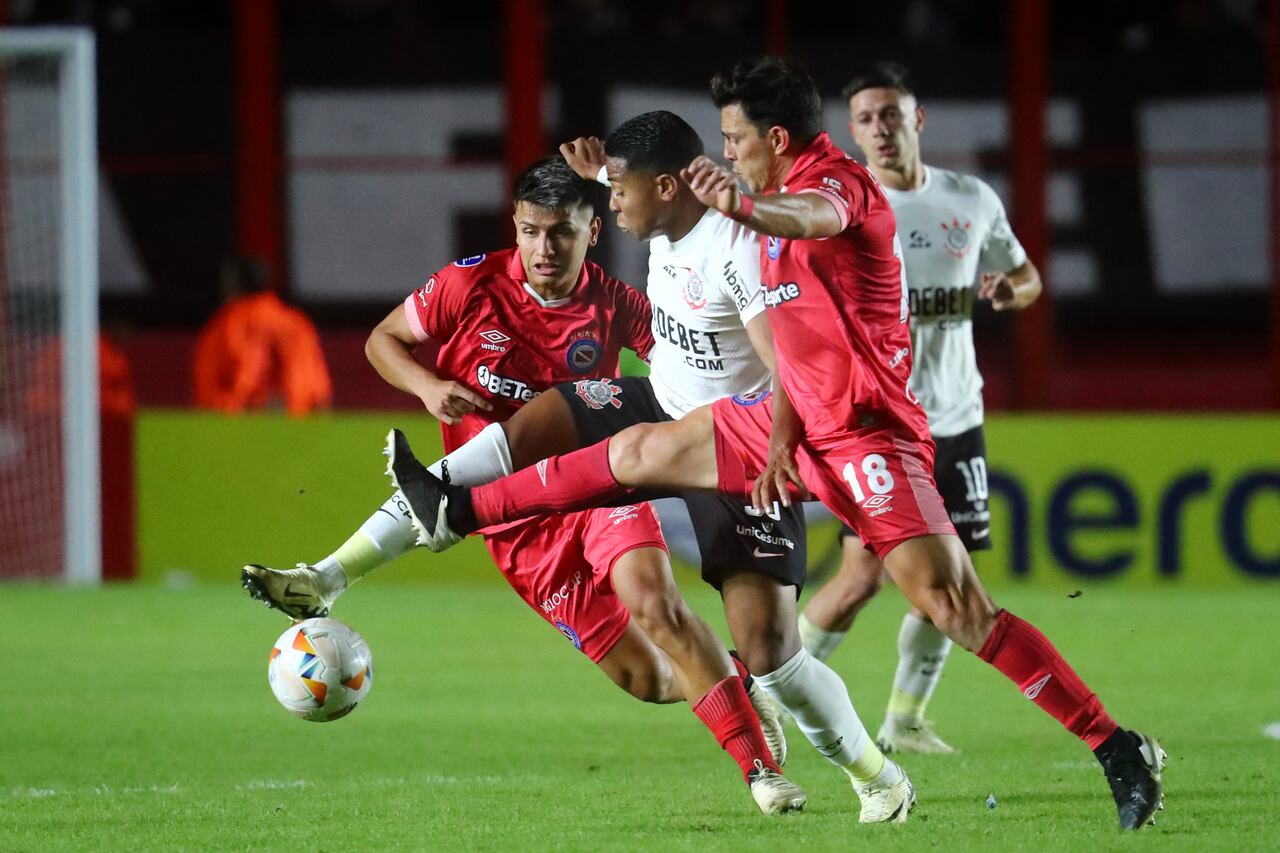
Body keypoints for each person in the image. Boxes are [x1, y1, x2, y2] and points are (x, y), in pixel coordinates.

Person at [386, 57, 1166, 831]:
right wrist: (610, 180)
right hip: (782, 419)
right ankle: (457, 507)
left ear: (778, 138)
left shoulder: (836, 187)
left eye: (737, 140)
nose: (727, 155)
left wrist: (749, 208)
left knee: (954, 604)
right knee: (634, 454)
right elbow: (689, 219)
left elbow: (811, 217)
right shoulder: (739, 201)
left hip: (866, 432)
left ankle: (1116, 745)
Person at [242, 155, 805, 815]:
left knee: (656, 602)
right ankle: (734, 677)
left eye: (561, 232)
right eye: (532, 230)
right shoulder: (469, 285)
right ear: (515, 226)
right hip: (510, 522)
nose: (544, 247)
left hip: (594, 488)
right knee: (649, 677)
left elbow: (693, 370)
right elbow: (383, 341)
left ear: (593, 231)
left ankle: (760, 773)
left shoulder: (619, 305)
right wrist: (426, 386)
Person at [388, 111, 908, 823]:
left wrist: (784, 443)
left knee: (772, 654)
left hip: (742, 450)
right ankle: (446, 502)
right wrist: (594, 168)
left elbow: (786, 359)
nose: (612, 206)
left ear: (664, 188)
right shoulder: (659, 215)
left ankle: (876, 775)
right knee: (573, 425)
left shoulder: (734, 251)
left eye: (619, 193)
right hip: (667, 417)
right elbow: (635, 183)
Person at [793, 61, 1044, 755]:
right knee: (859, 578)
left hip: (956, 419)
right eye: (867, 118)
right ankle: (777, 686)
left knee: (952, 579)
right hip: (880, 424)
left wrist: (1011, 290)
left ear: (917, 119)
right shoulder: (848, 207)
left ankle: (904, 717)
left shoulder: (971, 199)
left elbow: (1026, 275)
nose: (880, 127)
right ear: (852, 131)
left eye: (891, 114)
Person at [193, 256, 332, 417]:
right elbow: (317, 388)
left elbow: (208, 386)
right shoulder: (295, 322)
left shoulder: (224, 326)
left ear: (234, 283)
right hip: (296, 421)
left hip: (238, 423)